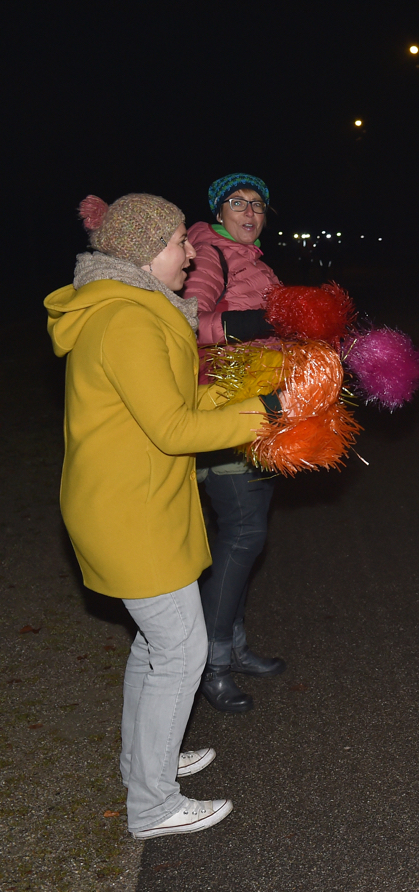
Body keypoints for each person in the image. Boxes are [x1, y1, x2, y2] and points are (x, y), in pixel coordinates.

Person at [45, 193, 274, 837]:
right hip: (128, 510)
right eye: (180, 241)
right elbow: (174, 427)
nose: (193, 252)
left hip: (135, 501)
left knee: (155, 644)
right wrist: (268, 417)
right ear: (145, 253)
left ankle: (143, 763)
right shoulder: (129, 320)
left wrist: (252, 384)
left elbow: (176, 399)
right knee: (181, 648)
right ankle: (152, 804)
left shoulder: (138, 311)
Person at [183, 173, 286, 713]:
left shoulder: (258, 262)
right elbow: (184, 324)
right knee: (243, 534)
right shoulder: (208, 254)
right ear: (218, 211)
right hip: (223, 412)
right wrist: (260, 319)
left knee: (248, 536)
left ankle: (236, 647)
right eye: (236, 202)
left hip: (259, 413)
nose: (248, 211)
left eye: (257, 205)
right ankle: (212, 665)